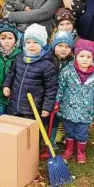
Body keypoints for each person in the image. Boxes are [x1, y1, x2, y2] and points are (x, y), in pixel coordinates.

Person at [56, 39, 94, 163]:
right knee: (69, 131)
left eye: (88, 56)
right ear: (75, 55)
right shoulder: (67, 72)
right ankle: (69, 149)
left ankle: (80, 151)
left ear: (93, 58)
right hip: (68, 108)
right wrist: (56, 101)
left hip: (85, 111)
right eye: (81, 56)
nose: (84, 59)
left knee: (81, 132)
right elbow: (60, 88)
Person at [3, 24, 58, 121]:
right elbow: (12, 73)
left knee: (30, 132)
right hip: (15, 103)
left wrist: (47, 107)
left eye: (36, 42)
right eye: (28, 42)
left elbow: (51, 88)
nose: (31, 45)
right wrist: (6, 85)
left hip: (32, 108)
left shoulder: (47, 65)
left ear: (42, 44)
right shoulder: (20, 58)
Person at [39, 31, 74, 159]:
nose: (63, 49)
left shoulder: (72, 63)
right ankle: (41, 140)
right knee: (44, 118)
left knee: (56, 119)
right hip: (47, 94)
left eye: (67, 46)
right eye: (60, 46)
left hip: (62, 96)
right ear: (54, 46)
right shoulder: (47, 59)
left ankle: (51, 139)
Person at [0, 20, 22, 114]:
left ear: (15, 39)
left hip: (12, 99)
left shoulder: (20, 56)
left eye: (10, 38)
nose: (6, 41)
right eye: (3, 38)